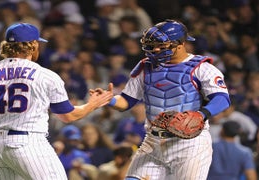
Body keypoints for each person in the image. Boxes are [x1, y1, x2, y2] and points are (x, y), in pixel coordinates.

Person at [0, 23, 113, 180]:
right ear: (32, 45)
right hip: (27, 142)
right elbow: (68, 116)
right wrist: (93, 104)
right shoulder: (45, 75)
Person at [93, 19, 231, 179]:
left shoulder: (202, 68)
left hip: (190, 143)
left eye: (161, 45)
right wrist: (108, 99)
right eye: (152, 45)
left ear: (180, 44)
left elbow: (222, 99)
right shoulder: (146, 67)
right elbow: (126, 101)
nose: (155, 49)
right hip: (153, 141)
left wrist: (201, 115)